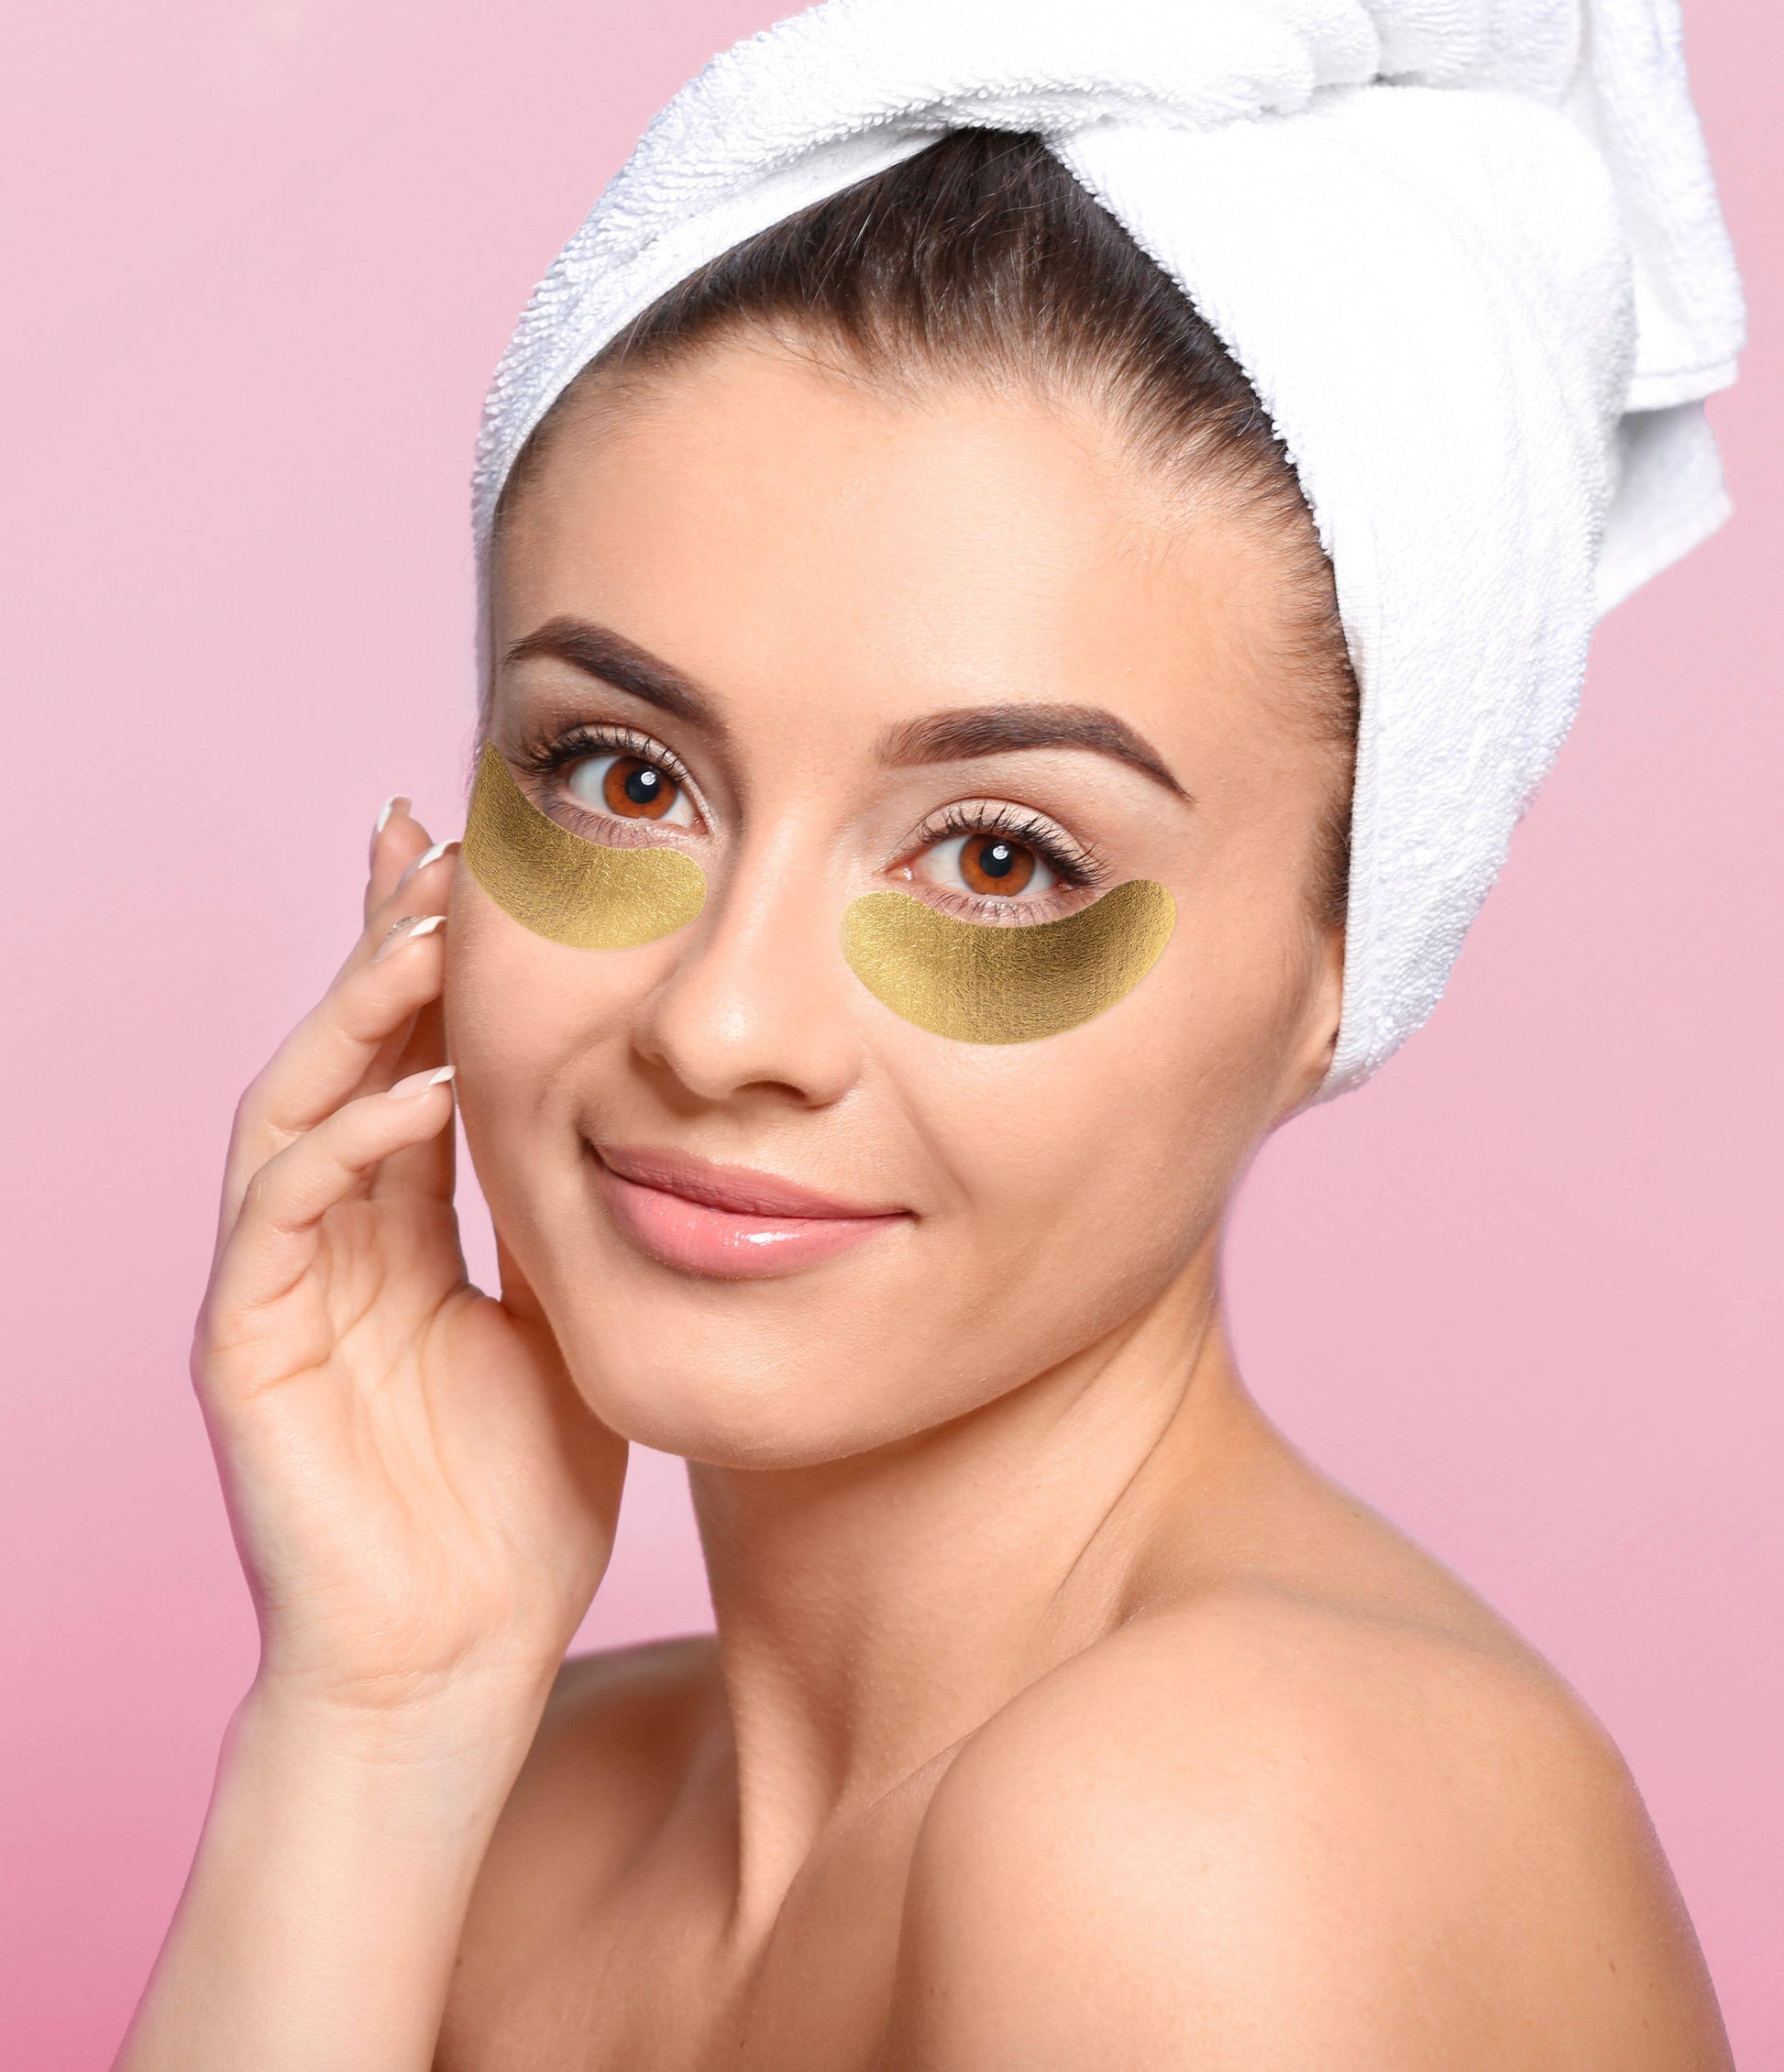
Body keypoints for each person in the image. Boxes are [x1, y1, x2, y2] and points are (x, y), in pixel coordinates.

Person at [118, 9, 1742, 2068]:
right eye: (622, 777)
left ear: (1348, 946)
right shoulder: (527, 1816)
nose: (721, 1019)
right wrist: (380, 1708)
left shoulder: (1217, 1823)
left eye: (994, 853)